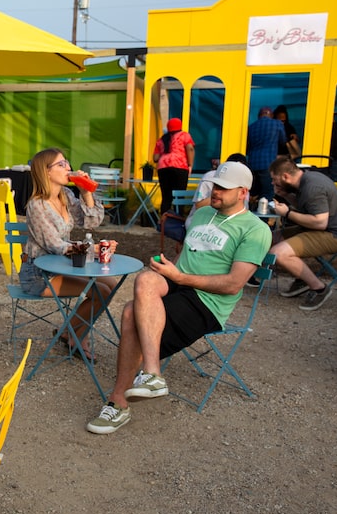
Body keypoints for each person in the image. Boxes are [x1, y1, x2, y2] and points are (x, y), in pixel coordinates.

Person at [86, 161, 271, 435]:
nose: (216, 192)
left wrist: (181, 278)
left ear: (243, 192)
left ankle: (118, 401)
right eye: (215, 186)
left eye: (224, 188)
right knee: (147, 278)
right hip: (178, 282)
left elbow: (233, 285)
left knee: (130, 314)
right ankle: (152, 374)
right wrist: (168, 268)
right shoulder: (203, 213)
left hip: (207, 301)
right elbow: (186, 254)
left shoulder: (255, 230)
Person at [19, 148, 116, 360]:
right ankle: (74, 336)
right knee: (100, 291)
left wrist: (87, 191)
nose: (69, 168)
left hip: (62, 266)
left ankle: (68, 332)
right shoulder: (37, 206)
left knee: (111, 283)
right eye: (61, 164)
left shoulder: (67, 196)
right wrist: (94, 249)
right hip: (39, 273)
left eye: (67, 163)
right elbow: (57, 246)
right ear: (46, 172)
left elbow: (92, 221)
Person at [269, 157, 337, 311]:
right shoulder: (307, 178)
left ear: (285, 176)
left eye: (274, 179)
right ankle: (302, 279)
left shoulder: (313, 187)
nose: (273, 183)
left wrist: (287, 213)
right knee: (272, 239)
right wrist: (285, 196)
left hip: (332, 235)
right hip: (318, 230)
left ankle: (319, 289)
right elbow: (309, 206)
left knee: (278, 253)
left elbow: (319, 222)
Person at [153, 117, 195, 215]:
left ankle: (163, 222)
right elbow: (190, 149)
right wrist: (190, 165)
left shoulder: (162, 139)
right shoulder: (184, 135)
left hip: (163, 167)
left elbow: (155, 158)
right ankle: (179, 220)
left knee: (166, 197)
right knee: (179, 196)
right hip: (179, 166)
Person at [246, 106, 286, 201]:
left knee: (253, 193)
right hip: (268, 163)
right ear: (271, 115)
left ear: (259, 116)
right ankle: (263, 215)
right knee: (267, 193)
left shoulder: (251, 127)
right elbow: (283, 141)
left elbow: (247, 146)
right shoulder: (277, 124)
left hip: (252, 164)